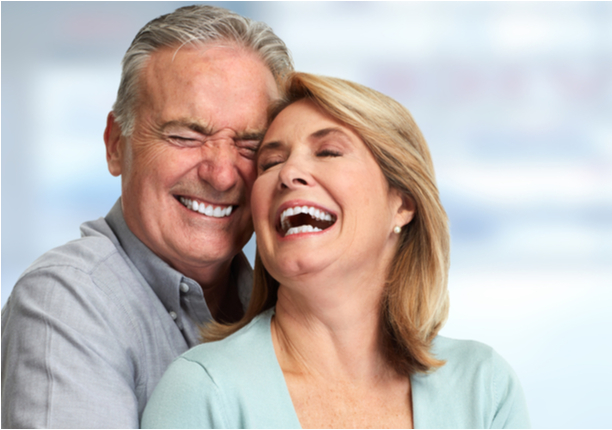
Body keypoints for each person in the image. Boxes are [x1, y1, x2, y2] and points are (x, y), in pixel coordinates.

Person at [140, 73, 531, 428]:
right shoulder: (203, 391)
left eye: (328, 152)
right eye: (271, 162)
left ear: (403, 202)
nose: (289, 173)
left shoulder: (484, 387)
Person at [0, 5, 292, 428]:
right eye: (185, 136)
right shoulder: (66, 302)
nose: (222, 173)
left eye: (250, 145)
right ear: (116, 145)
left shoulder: (279, 302)